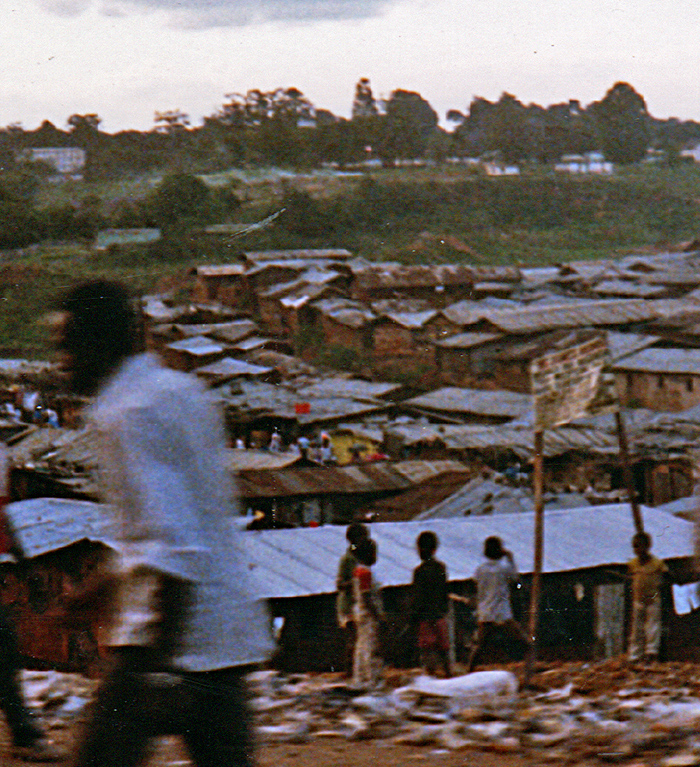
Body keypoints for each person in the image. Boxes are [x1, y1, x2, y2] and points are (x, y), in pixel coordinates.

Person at [54, 281, 273, 767]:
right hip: (225, 634)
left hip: (171, 642)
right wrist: (97, 591)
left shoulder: (126, 412)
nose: (62, 363)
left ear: (98, 344)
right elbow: (167, 527)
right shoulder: (181, 390)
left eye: (68, 348)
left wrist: (159, 671)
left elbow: (172, 548)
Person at [467, 536, 531, 672]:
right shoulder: (504, 568)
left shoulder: (480, 570)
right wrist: (510, 559)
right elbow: (515, 579)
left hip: (486, 612)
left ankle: (470, 670)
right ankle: (530, 666)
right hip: (502, 612)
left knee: (480, 646)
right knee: (524, 641)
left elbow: (476, 585)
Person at [410, 531, 451, 677]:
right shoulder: (441, 568)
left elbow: (418, 596)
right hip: (439, 613)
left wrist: (414, 615)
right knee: (443, 649)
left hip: (425, 616)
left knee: (428, 650)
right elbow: (444, 591)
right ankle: (448, 675)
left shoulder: (419, 572)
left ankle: (430, 677)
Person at [628, 531, 668, 663]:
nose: (637, 550)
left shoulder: (657, 563)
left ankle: (651, 653)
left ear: (648, 546)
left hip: (653, 599)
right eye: (635, 547)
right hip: (638, 600)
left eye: (639, 546)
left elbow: (667, 576)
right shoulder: (633, 564)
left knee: (652, 627)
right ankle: (635, 655)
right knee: (636, 628)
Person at [335, 523, 369, 676]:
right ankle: (350, 671)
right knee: (354, 638)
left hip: (358, 603)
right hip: (349, 605)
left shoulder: (362, 558)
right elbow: (340, 584)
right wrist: (355, 582)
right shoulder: (347, 560)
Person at [352, 537, 383, 689]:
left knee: (362, 645)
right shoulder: (365, 573)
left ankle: (360, 677)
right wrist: (378, 615)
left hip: (361, 612)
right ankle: (370, 679)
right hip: (368, 614)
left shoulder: (358, 571)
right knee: (370, 646)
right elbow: (367, 596)